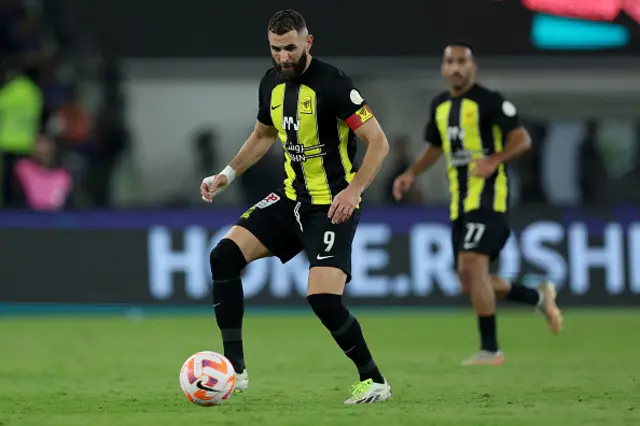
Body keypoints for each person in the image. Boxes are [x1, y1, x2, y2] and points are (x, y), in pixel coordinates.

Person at [200, 10, 391, 404]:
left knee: (323, 299)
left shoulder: (334, 85)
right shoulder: (271, 82)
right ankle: (235, 369)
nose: (284, 57)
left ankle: (374, 380)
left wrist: (353, 191)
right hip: (291, 200)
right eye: (276, 49)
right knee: (223, 256)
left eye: (290, 47)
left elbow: (378, 141)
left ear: (308, 41)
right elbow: (262, 135)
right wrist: (227, 174)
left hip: (332, 205)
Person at [392, 42, 563, 366]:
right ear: (443, 68)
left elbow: (521, 138)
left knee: (472, 264)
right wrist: (411, 172)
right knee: (469, 280)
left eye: (462, 62)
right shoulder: (440, 105)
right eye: (450, 62)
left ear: (473, 67)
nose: (456, 68)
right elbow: (436, 145)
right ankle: (539, 296)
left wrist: (493, 161)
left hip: (489, 198)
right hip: (459, 203)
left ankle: (490, 350)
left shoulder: (489, 101)